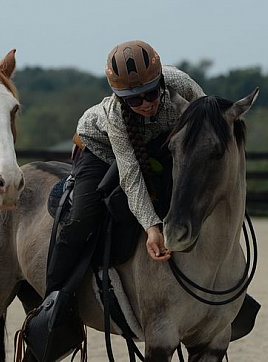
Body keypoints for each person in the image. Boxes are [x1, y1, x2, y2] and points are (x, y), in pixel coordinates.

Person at [45, 39, 206, 296]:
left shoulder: (181, 83)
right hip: (101, 150)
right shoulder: (116, 116)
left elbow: (209, 123)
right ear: (120, 98)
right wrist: (152, 227)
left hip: (159, 144)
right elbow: (131, 175)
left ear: (161, 82)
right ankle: (54, 298)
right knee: (82, 217)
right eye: (133, 100)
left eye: (151, 94)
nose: (145, 104)